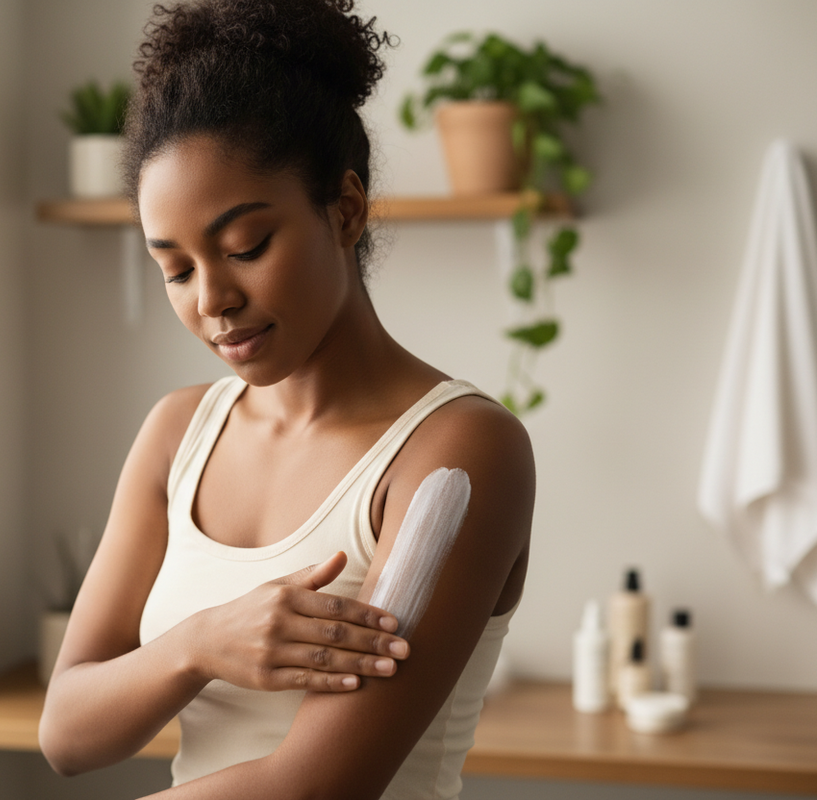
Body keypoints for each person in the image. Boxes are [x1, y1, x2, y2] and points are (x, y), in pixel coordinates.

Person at [38, 0, 535, 797]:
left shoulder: (459, 452)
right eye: (176, 269)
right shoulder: (178, 433)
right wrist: (199, 645)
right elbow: (66, 732)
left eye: (245, 247)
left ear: (344, 208)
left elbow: (318, 787)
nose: (212, 300)